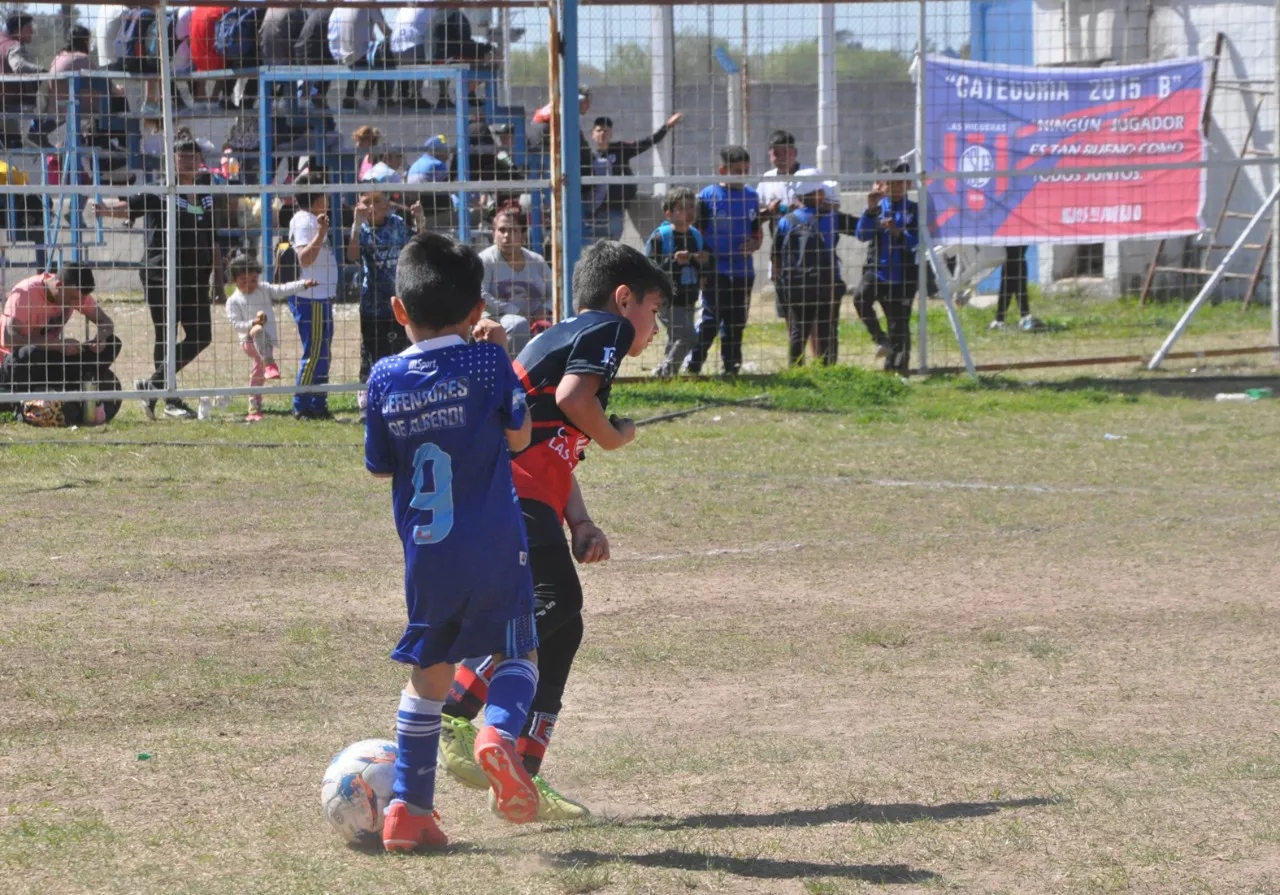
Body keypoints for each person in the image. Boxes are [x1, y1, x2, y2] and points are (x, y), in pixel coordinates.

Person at [436, 241, 668, 822]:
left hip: (516, 493)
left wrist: (581, 521)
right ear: (623, 300)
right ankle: (456, 704)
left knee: (565, 626)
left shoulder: (567, 337)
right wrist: (615, 436)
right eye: (654, 310)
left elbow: (556, 447)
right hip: (509, 492)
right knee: (557, 598)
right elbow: (573, 400)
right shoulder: (604, 332)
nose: (656, 328)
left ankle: (521, 773)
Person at [365, 231, 542, 852]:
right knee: (519, 655)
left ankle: (409, 812)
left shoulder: (384, 376)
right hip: (495, 544)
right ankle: (496, 733)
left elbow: (381, 467)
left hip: (427, 556)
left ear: (398, 310)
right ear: (476, 313)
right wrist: (501, 354)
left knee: (428, 680)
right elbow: (519, 440)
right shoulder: (488, 361)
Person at [96, 132, 223, 419]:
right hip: (160, 274)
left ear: (201, 160)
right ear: (172, 161)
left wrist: (218, 276)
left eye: (193, 156)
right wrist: (105, 211)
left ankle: (152, 386)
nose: (188, 161)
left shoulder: (206, 192)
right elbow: (130, 207)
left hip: (195, 276)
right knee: (165, 334)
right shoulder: (158, 191)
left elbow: (213, 236)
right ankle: (171, 400)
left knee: (202, 335)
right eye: (182, 156)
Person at [346, 187, 423, 421]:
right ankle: (366, 405)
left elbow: (418, 245)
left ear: (387, 205)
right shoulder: (362, 230)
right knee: (370, 354)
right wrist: (356, 225)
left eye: (376, 201)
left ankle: (401, 399)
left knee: (401, 351)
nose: (371, 207)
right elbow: (352, 255)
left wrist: (420, 220)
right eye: (365, 203)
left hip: (399, 301)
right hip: (372, 303)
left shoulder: (397, 224)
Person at [687, 145, 762, 376]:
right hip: (715, 270)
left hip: (742, 271)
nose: (742, 175)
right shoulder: (708, 197)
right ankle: (694, 364)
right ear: (723, 170)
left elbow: (756, 231)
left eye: (745, 170)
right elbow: (695, 233)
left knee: (736, 321)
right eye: (737, 170)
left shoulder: (751, 196)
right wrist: (701, 265)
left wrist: (754, 244)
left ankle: (731, 367)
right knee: (710, 319)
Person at [0, 266, 120, 401]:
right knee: (30, 353)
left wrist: (101, 338)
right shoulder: (24, 293)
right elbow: (9, 340)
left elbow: (106, 322)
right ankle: (66, 386)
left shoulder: (74, 291)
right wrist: (56, 345)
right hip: (16, 362)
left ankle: (72, 385)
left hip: (51, 357)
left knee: (113, 343)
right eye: (73, 299)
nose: (78, 304)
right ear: (58, 286)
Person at [224, 251, 315, 422]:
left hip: (268, 341)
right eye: (244, 282)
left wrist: (303, 284)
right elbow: (236, 325)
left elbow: (282, 289)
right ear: (234, 281)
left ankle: (254, 405)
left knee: (257, 372)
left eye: (253, 280)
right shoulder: (233, 301)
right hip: (249, 341)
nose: (250, 285)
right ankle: (269, 364)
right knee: (258, 332)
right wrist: (253, 323)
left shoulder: (264, 289)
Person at [854, 162, 919, 374]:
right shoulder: (877, 206)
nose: (894, 187)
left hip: (902, 275)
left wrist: (898, 232)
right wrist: (870, 210)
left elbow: (917, 241)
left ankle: (897, 370)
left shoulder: (913, 209)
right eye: (889, 183)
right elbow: (862, 235)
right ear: (881, 185)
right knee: (860, 298)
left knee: (898, 324)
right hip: (877, 270)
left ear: (907, 183)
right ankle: (880, 338)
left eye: (898, 183)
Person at [582, 112, 683, 242]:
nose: (602, 134)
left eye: (606, 131)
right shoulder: (590, 156)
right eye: (599, 130)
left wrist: (668, 126)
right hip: (595, 210)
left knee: (612, 244)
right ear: (593, 134)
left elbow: (647, 142)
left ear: (611, 133)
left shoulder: (620, 149)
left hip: (615, 208)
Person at [288, 172, 339, 419]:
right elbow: (304, 258)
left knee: (322, 350)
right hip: (311, 295)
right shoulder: (305, 221)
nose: (327, 197)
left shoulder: (311, 220)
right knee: (315, 351)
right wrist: (320, 234)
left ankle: (319, 403)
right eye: (324, 192)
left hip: (320, 295)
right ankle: (302, 403)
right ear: (316, 197)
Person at [772, 178, 838, 366]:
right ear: (816, 194)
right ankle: (826, 366)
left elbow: (775, 254)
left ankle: (795, 368)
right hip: (822, 280)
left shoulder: (787, 221)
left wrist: (781, 282)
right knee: (824, 327)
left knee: (797, 330)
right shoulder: (829, 218)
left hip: (795, 282)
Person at [644, 187, 708, 377]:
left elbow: (701, 267)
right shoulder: (661, 237)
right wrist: (673, 261)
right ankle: (665, 372)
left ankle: (668, 376)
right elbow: (648, 268)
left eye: (691, 207)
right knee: (688, 336)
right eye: (682, 208)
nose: (689, 212)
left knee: (676, 337)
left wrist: (702, 260)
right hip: (666, 298)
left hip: (688, 295)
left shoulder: (695, 236)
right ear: (669, 213)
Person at [478, 206, 554, 356]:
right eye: (502, 230)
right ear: (494, 234)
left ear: (523, 235)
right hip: (498, 319)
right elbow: (481, 294)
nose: (507, 235)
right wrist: (515, 311)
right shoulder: (486, 260)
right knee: (518, 324)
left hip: (537, 318)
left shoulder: (536, 261)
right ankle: (514, 374)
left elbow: (556, 293)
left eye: (513, 230)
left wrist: (546, 309)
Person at [328, 7, 391, 110]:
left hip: (341, 54)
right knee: (386, 52)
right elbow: (386, 31)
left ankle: (350, 96)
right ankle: (384, 98)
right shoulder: (370, 5)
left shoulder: (343, 6)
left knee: (362, 53)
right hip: (360, 56)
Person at [1, 13, 41, 149]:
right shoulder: (13, 46)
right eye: (29, 28)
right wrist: (44, 72)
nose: (32, 31)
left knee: (9, 145)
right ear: (18, 30)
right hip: (10, 102)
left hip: (4, 105)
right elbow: (18, 65)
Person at [990, 246, 1043, 331]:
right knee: (1014, 260)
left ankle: (1002, 319)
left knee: (1015, 260)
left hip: (1015, 258)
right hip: (1013, 259)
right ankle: (1023, 316)